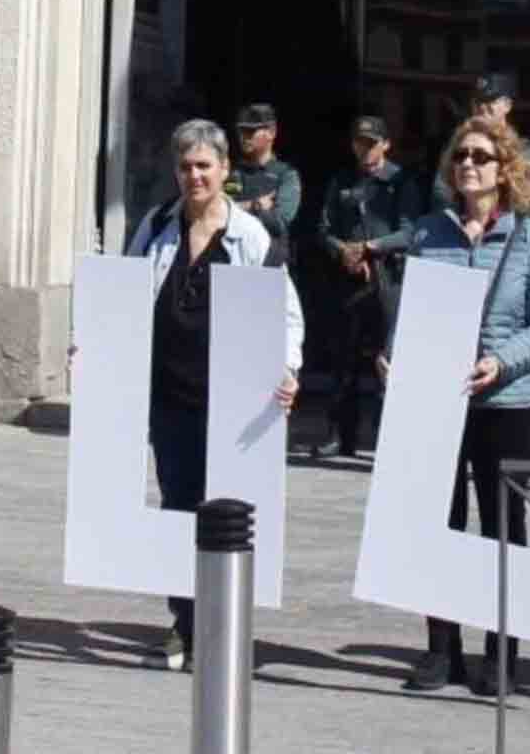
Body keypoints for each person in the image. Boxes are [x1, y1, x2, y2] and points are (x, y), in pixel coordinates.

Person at [381, 116, 530, 696]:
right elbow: (412, 312)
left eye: (480, 156)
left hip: (506, 401)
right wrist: (393, 356)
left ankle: (502, 653)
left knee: (503, 529)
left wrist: (501, 362)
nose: (467, 165)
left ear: (504, 168)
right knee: (439, 525)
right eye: (459, 156)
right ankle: (442, 650)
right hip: (437, 399)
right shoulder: (429, 232)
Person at [123, 118, 302, 671]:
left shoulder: (253, 236)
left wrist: (289, 368)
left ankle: (222, 625)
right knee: (178, 503)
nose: (194, 175)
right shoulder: (156, 226)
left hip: (232, 401)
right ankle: (185, 621)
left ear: (225, 171)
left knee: (224, 511)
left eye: (205, 165)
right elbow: (125, 297)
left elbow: (286, 312)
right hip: (170, 396)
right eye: (185, 166)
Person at [310, 115, 427, 457]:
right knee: (343, 362)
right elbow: (323, 228)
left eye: (372, 142)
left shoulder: (401, 181)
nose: (365, 149)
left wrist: (371, 247)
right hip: (348, 279)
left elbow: (410, 232)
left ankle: (386, 436)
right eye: (360, 142)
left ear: (386, 144)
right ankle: (340, 435)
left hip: (387, 280)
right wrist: (342, 250)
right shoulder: (342, 180)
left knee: (385, 361)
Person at [228, 103, 300, 247]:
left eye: (250, 131)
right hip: (235, 255)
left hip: (270, 257)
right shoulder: (234, 173)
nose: (244, 137)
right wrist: (256, 205)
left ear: (272, 133)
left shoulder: (286, 175)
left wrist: (239, 208)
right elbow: (222, 213)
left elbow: (279, 224)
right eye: (241, 131)